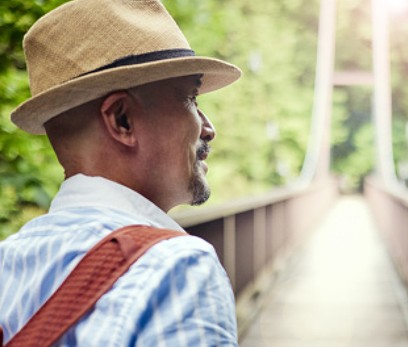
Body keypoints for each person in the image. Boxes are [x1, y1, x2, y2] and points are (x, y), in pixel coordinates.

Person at [0, 0, 242, 345]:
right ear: (122, 120)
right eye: (190, 98)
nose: (208, 128)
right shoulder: (178, 270)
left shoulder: (8, 263)